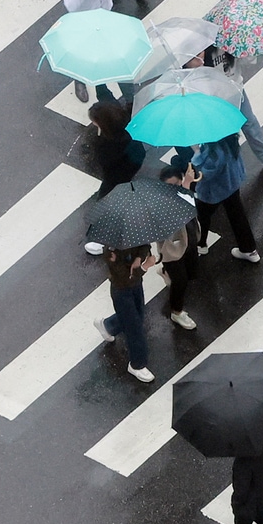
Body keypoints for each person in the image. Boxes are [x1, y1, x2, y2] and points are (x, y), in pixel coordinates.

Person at [187, 47, 263, 170]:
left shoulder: (232, 44)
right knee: (228, 135)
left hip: (236, 90)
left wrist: (248, 50)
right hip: (218, 99)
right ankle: (233, 166)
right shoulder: (204, 51)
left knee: (249, 122)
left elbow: (248, 61)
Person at [60, 0, 139, 105]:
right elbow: (72, 7)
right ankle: (87, 83)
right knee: (95, 64)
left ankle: (131, 100)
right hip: (86, 24)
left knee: (118, 61)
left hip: (107, 18)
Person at [82, 101, 145, 254]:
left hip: (117, 174)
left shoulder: (107, 143)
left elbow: (104, 163)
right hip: (134, 160)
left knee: (106, 198)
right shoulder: (126, 123)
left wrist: (98, 139)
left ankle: (100, 237)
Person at [186, 134, 260, 263]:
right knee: (237, 215)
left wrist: (197, 152)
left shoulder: (214, 151)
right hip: (232, 183)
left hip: (214, 191)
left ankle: (201, 244)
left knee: (202, 216)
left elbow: (205, 173)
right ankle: (249, 250)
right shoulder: (230, 139)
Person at [93, 243, 158, 383]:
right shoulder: (110, 253)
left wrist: (139, 257)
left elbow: (145, 245)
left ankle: (108, 326)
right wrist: (144, 266)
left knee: (138, 315)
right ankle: (137, 364)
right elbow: (124, 277)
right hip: (121, 291)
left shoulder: (134, 237)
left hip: (135, 285)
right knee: (134, 327)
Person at [157, 162, 200, 330]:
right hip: (171, 251)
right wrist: (186, 186)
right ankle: (176, 311)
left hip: (189, 240)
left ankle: (166, 272)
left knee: (191, 272)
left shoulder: (184, 193)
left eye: (177, 184)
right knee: (181, 282)